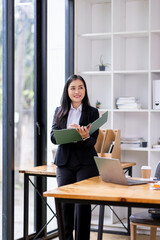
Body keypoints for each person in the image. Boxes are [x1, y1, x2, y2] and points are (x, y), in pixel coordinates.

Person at [50, 74, 99, 240]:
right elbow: (53, 137)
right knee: (64, 205)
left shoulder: (92, 112)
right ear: (67, 91)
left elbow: (93, 141)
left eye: (80, 87)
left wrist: (85, 136)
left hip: (86, 163)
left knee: (82, 207)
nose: (77, 91)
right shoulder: (59, 111)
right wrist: (68, 133)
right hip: (65, 163)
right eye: (73, 88)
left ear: (85, 90)